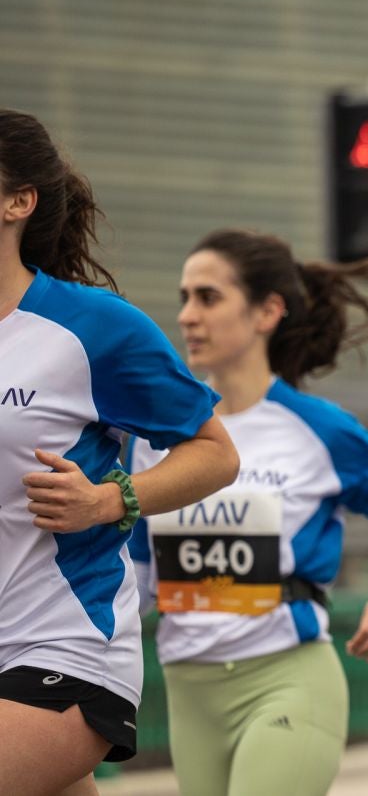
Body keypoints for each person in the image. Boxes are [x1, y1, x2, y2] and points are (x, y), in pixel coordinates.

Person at [129, 229, 368, 796]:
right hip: (185, 689)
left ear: (267, 312)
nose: (187, 316)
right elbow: (135, 581)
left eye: (208, 297)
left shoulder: (320, 429)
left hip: (287, 680)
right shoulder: (154, 439)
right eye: (184, 298)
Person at [0, 109, 238, 796]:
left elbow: (215, 453)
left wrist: (108, 500)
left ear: (18, 202)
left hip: (62, 643)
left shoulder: (90, 328)